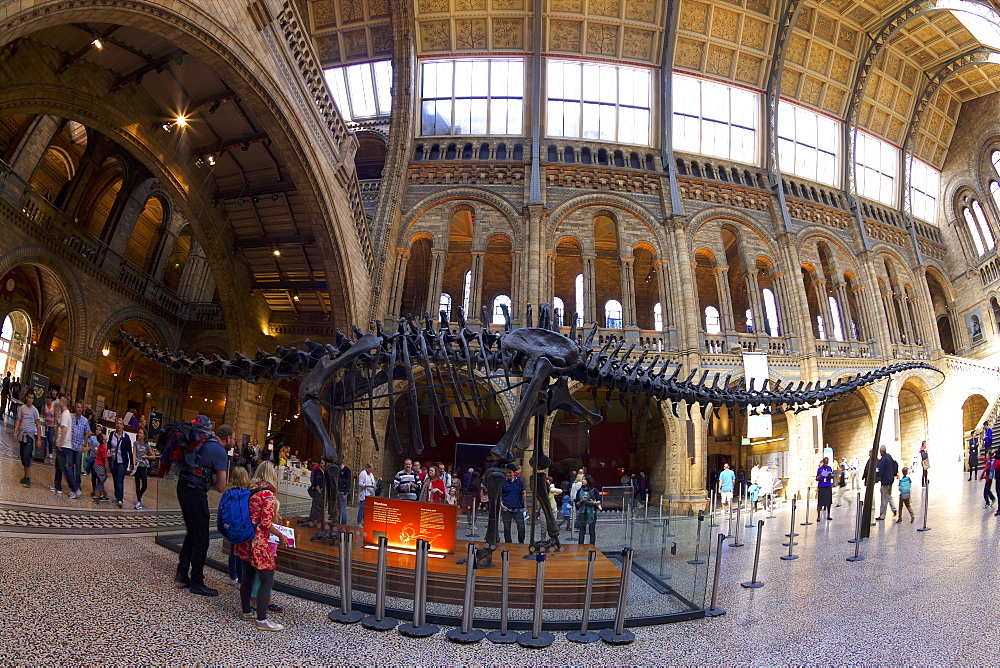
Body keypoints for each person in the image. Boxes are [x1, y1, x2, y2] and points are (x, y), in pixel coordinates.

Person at [174, 417, 229, 596]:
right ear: (227, 438)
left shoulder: (202, 443)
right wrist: (207, 482)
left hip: (182, 486)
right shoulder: (220, 451)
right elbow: (221, 486)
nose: (234, 442)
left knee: (192, 532)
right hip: (195, 492)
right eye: (234, 439)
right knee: (202, 539)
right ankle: (197, 582)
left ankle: (182, 575)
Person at [234, 462, 289, 631]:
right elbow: (265, 524)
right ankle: (262, 619)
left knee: (247, 576)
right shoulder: (268, 495)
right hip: (258, 542)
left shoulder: (249, 490)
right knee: (267, 579)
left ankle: (246, 611)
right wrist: (281, 535)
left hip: (244, 539)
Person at [227, 465, 251, 586]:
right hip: (242, 528)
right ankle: (241, 579)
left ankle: (232, 576)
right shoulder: (247, 494)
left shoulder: (229, 493)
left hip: (231, 527)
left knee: (233, 552)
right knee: (241, 553)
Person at [14, 388, 41, 487]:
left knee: (27, 456)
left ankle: (28, 477)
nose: (30, 400)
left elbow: (38, 425)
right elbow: (18, 420)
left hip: (29, 436)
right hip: (22, 435)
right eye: (29, 398)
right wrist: (15, 431)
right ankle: (25, 476)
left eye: (32, 398)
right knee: (22, 456)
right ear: (26, 398)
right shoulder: (22, 408)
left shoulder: (34, 410)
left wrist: (38, 439)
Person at [107, 417, 133, 509]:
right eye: (117, 423)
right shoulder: (112, 435)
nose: (118, 425)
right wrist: (109, 452)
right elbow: (109, 445)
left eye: (120, 424)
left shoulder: (126, 437)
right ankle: (117, 496)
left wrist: (131, 463)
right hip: (114, 460)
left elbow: (130, 450)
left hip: (122, 461)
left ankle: (120, 498)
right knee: (115, 479)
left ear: (123, 426)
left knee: (119, 480)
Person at [501, 463, 526, 543]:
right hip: (506, 509)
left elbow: (523, 492)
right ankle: (508, 544)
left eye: (510, 472)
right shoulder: (503, 482)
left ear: (513, 472)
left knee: (521, 528)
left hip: (518, 508)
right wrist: (502, 505)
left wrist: (524, 505)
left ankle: (521, 542)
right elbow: (498, 495)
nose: (508, 474)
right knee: (507, 528)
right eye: (507, 472)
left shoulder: (519, 481)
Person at [132, 427, 154, 509]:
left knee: (144, 485)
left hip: (143, 466)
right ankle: (138, 501)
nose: (139, 434)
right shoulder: (135, 443)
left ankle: (140, 496)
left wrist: (147, 456)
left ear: (144, 435)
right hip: (137, 466)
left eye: (141, 433)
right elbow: (134, 454)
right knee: (137, 484)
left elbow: (153, 456)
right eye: (138, 433)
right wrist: (134, 464)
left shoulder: (146, 445)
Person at [874, 446, 898, 521]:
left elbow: (880, 471)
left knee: (884, 499)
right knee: (888, 495)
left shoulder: (883, 460)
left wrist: (877, 476)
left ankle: (882, 515)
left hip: (885, 481)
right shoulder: (889, 456)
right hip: (891, 479)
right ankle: (894, 508)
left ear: (881, 451)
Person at [575, 474, 600, 545]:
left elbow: (599, 500)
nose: (583, 481)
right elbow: (576, 504)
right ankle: (580, 546)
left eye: (585, 479)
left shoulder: (594, 490)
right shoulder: (579, 491)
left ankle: (592, 546)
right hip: (582, 513)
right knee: (581, 531)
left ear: (588, 481)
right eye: (582, 479)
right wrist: (581, 501)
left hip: (592, 512)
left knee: (592, 531)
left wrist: (593, 502)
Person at [90, 433, 108, 503]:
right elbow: (105, 458)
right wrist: (108, 469)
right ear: (103, 440)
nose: (106, 436)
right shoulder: (103, 447)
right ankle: (96, 495)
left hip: (97, 464)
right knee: (101, 480)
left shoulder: (101, 446)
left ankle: (101, 495)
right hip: (99, 465)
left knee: (101, 480)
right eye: (104, 436)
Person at [815, 457, 834, 521]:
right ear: (823, 462)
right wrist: (821, 475)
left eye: (827, 463)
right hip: (822, 486)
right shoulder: (820, 469)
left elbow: (833, 476)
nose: (826, 464)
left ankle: (828, 515)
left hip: (828, 485)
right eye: (825, 462)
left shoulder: (829, 468)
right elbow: (817, 478)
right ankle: (818, 516)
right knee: (820, 502)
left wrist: (830, 475)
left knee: (829, 501)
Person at [41, 393, 57, 462]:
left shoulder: (53, 406)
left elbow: (55, 415)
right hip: (46, 424)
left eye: (49, 398)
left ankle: (50, 452)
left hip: (51, 425)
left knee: (50, 439)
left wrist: (55, 424)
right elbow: (42, 414)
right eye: (47, 398)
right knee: (45, 439)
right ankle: (43, 452)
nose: (48, 400)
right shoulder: (44, 406)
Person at [337, 459, 351, 524]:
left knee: (343, 509)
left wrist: (345, 493)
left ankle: (344, 523)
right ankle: (337, 522)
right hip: (338, 490)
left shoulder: (347, 470)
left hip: (343, 492)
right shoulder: (337, 470)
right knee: (338, 508)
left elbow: (348, 482)